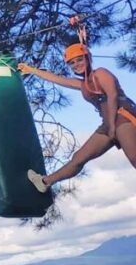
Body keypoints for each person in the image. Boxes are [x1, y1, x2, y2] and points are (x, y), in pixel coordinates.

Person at [20, 44, 136, 192]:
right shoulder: (82, 84)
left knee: (134, 158)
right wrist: (32, 70)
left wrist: (112, 126)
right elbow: (57, 79)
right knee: (79, 158)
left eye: (80, 60)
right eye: (72, 63)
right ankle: (44, 182)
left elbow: (112, 96)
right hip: (108, 124)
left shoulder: (101, 73)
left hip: (123, 117)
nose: (76, 65)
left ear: (88, 59)